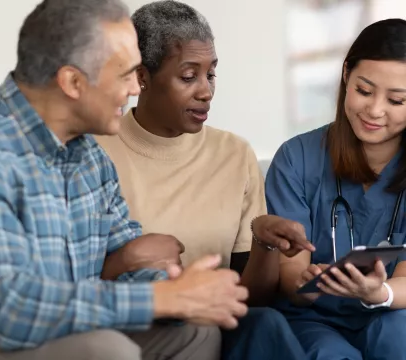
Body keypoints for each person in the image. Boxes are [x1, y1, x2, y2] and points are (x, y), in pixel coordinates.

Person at [0, 1, 254, 359]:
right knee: (104, 349)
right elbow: (9, 311)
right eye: (126, 74)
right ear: (73, 82)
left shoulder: (89, 155)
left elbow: (126, 263)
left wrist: (184, 292)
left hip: (62, 330)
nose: (134, 87)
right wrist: (158, 298)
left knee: (195, 331)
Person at [95, 1, 312, 359]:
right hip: (134, 328)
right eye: (188, 76)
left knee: (267, 323)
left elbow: (250, 300)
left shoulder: (234, 154)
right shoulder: (95, 153)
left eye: (211, 74)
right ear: (141, 77)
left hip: (216, 325)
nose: (206, 91)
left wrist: (264, 243)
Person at [266, 18, 406, 360]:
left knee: (398, 338)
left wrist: (379, 292)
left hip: (390, 313)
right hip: (314, 319)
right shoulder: (296, 158)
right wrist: (308, 285)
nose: (374, 110)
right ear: (346, 75)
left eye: (397, 101)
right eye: (364, 90)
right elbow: (292, 279)